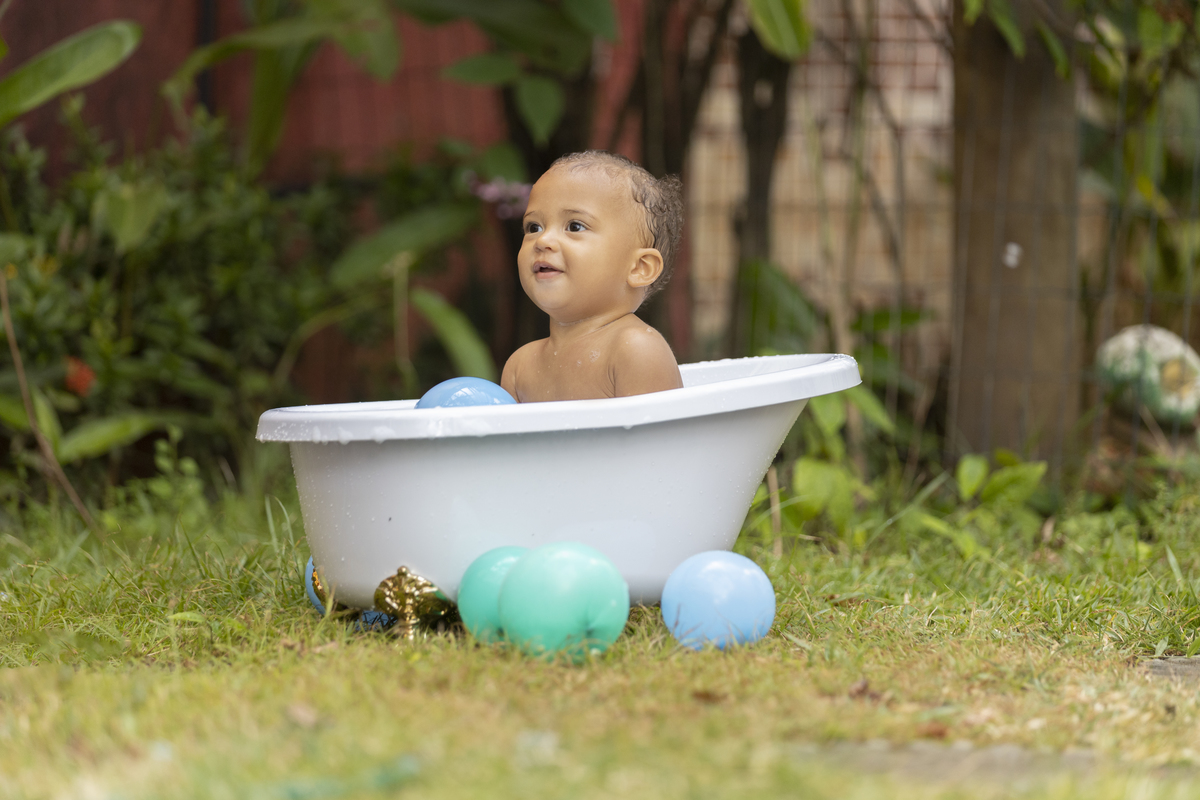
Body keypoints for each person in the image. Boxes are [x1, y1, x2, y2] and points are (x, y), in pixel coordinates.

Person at [501, 151, 685, 402]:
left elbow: (660, 430)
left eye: (574, 226)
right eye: (534, 227)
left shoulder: (635, 350)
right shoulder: (519, 367)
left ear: (639, 267)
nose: (543, 240)